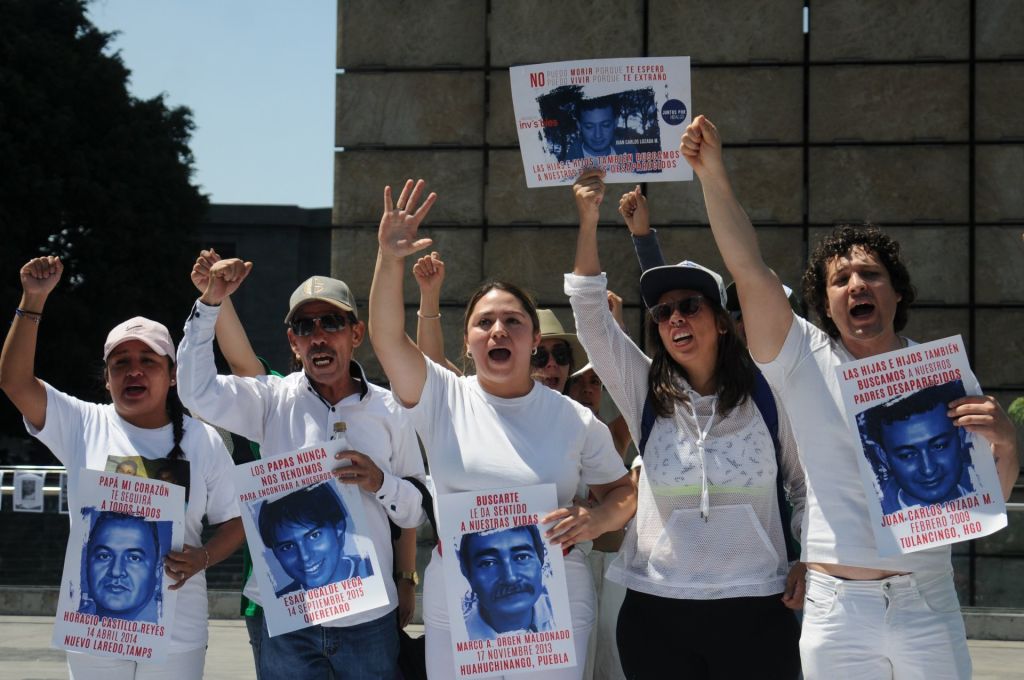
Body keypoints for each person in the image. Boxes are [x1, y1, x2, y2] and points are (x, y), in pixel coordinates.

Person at [681, 114, 1019, 678]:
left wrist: (1006, 441)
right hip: (836, 611)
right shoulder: (800, 357)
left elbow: (982, 501)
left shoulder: (942, 375)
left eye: (871, 274)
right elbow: (747, 267)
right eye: (840, 280)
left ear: (897, 292)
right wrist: (713, 174)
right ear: (825, 300)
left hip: (928, 601)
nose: (856, 285)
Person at [369, 178, 636, 680]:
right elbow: (386, 338)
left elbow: (622, 492)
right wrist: (389, 258)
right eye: (484, 322)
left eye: (513, 322)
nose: (498, 331)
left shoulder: (572, 417)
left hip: (557, 594)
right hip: (458, 594)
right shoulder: (442, 396)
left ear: (534, 340)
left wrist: (596, 522)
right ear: (467, 340)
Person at [566, 170, 807, 679]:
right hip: (656, 612)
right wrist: (588, 218)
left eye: (690, 307)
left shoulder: (769, 390)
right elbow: (590, 317)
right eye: (663, 311)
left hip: (759, 609)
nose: (675, 318)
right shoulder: (644, 390)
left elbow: (805, 487)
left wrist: (809, 559)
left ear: (721, 319)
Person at [176, 257, 426, 680]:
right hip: (288, 622)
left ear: (356, 334)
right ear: (294, 342)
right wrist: (210, 305)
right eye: (306, 328)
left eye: (331, 322)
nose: (319, 337)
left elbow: (417, 508)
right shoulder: (272, 400)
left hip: (367, 619)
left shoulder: (390, 410)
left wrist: (380, 483)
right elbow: (197, 392)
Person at [0, 256, 244, 679]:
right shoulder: (82, 423)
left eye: (148, 361)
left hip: (178, 633)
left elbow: (237, 518)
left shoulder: (202, 440)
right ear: (107, 378)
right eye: (120, 363)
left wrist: (203, 556)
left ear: (172, 376)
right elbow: (15, 382)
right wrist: (32, 300)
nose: (134, 370)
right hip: (95, 630)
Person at [861, 380, 976, 514]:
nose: (928, 469)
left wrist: (1005, 445)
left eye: (939, 446)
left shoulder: (984, 484)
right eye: (907, 455)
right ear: (883, 457)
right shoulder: (868, 515)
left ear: (961, 436)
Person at [257, 483, 373, 597]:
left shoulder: (372, 573)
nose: (305, 556)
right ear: (275, 554)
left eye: (314, 536)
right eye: (287, 547)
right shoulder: (280, 603)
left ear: (339, 528)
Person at [458, 525, 555, 640]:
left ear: (541, 560)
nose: (510, 578)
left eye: (522, 557)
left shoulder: (563, 611)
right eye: (488, 563)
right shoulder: (457, 633)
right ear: (467, 573)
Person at [82, 512, 164, 623]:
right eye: (104, 556)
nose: (116, 571)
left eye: (134, 558)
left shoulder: (170, 628)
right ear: (87, 561)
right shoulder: (73, 624)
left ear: (157, 566)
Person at [565, 96, 627, 161]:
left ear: (616, 122)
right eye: (589, 127)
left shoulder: (633, 157)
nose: (598, 135)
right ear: (579, 126)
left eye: (605, 125)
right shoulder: (565, 166)